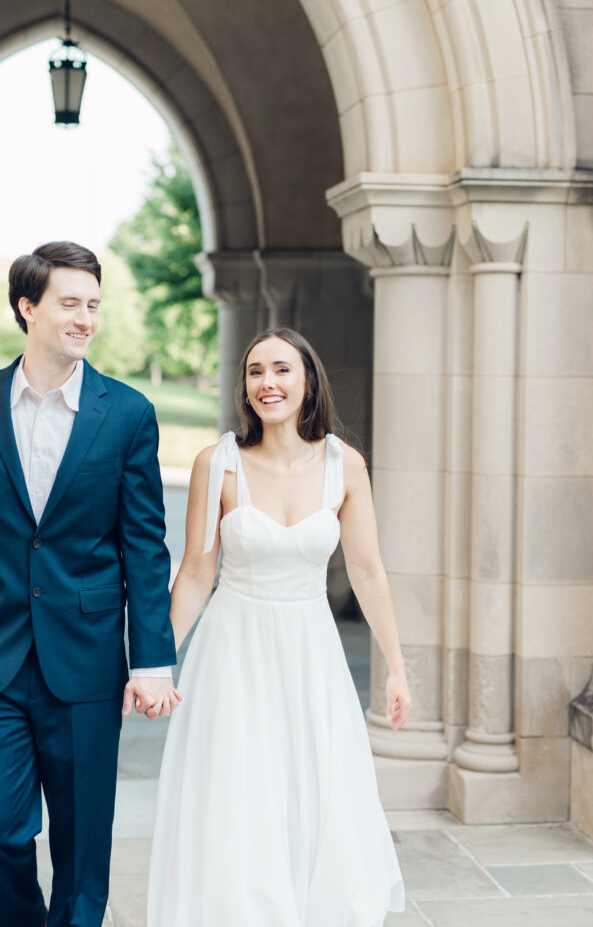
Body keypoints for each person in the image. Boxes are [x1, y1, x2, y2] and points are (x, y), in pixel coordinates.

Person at [0, 241, 180, 927]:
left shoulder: (127, 414)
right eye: (69, 304)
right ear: (28, 308)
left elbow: (144, 548)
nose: (85, 318)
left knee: (84, 846)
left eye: (93, 305)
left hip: (87, 660)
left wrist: (150, 659)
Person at [147, 327, 410, 926]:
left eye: (282, 369)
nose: (268, 383)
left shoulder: (346, 466)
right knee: (238, 797)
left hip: (311, 653)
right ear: (245, 387)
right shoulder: (217, 464)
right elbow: (194, 573)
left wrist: (395, 666)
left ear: (308, 380)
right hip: (232, 651)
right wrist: (156, 664)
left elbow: (368, 572)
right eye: (256, 371)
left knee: (315, 792)